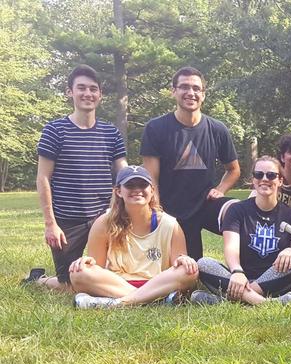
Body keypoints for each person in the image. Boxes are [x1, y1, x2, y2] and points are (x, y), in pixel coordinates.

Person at [27, 64, 127, 290]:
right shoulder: (54, 130)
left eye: (93, 89)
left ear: (100, 95)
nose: (87, 94)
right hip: (66, 222)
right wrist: (50, 224)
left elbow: (123, 173)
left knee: (111, 276)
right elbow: (43, 178)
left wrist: (118, 210)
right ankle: (39, 280)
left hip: (102, 219)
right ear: (69, 92)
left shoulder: (111, 133)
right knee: (68, 285)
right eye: (81, 88)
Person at [140, 66, 241, 260]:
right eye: (184, 87)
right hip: (171, 210)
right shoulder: (156, 128)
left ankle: (245, 273)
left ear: (203, 94)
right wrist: (158, 211)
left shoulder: (217, 129)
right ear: (174, 91)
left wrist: (221, 189)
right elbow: (151, 177)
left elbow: (234, 170)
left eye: (196, 88)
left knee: (240, 213)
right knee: (189, 271)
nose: (190, 92)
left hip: (206, 205)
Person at [69, 165, 198, 308]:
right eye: (130, 185)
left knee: (189, 271)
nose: (137, 190)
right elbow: (97, 267)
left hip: (157, 283)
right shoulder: (104, 223)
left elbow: (179, 265)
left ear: (152, 190)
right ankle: (155, 301)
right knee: (79, 273)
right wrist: (85, 262)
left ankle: (119, 303)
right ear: (118, 191)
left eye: (143, 185)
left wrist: (184, 259)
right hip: (117, 284)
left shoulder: (169, 224)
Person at [194, 156, 291, 306]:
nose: (264, 179)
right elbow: (231, 248)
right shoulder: (237, 210)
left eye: (271, 175)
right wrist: (237, 272)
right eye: (259, 175)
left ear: (280, 180)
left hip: (275, 279)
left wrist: (290, 252)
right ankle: (266, 303)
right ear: (253, 180)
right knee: (203, 263)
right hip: (240, 276)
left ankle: (231, 300)